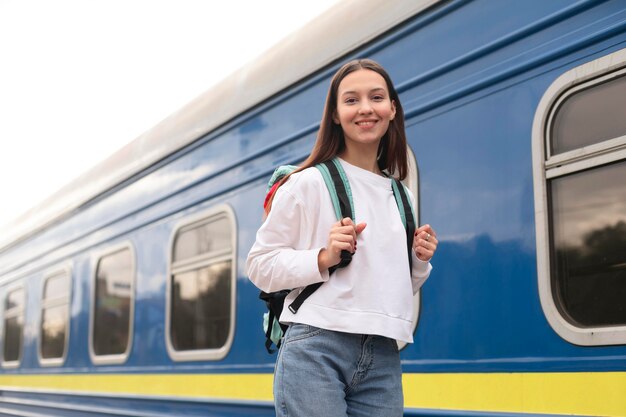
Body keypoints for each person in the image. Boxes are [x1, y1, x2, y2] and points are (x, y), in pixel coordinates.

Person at [246, 58, 438, 417]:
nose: (366, 108)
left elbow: (391, 288)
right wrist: (323, 257)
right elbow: (259, 266)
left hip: (382, 352)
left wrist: (418, 261)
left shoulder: (401, 195)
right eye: (351, 100)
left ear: (392, 109)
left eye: (377, 98)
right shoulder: (306, 183)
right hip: (317, 345)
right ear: (335, 114)